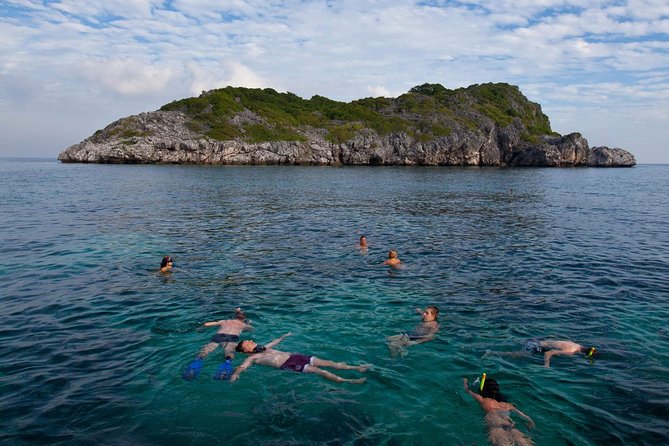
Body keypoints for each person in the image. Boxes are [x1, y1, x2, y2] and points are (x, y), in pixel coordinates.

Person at [231, 332, 369, 384]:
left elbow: (275, 341)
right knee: (322, 372)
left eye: (249, 340)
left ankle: (356, 367)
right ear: (245, 350)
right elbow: (242, 367)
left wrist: (284, 336)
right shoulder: (252, 359)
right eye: (247, 343)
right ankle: (350, 380)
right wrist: (236, 374)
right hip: (289, 364)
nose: (250, 341)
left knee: (328, 363)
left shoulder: (265, 348)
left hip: (296, 356)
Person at [463, 374, 535, 446]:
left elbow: (467, 390)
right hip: (510, 426)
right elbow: (524, 416)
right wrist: (530, 422)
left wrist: (465, 381)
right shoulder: (507, 405)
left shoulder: (484, 401)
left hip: (496, 428)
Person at [183, 307, 253, 380]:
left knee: (205, 351)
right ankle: (227, 362)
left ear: (234, 317)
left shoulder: (225, 321)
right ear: (243, 319)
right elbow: (251, 329)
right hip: (232, 338)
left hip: (219, 336)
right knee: (229, 353)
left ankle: (198, 361)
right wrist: (248, 323)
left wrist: (200, 328)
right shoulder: (243, 325)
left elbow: (207, 324)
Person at [489, 339, 598, 368]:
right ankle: (493, 353)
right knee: (518, 355)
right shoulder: (571, 351)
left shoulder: (575, 344)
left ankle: (494, 352)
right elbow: (549, 353)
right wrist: (546, 364)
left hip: (536, 341)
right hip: (534, 345)